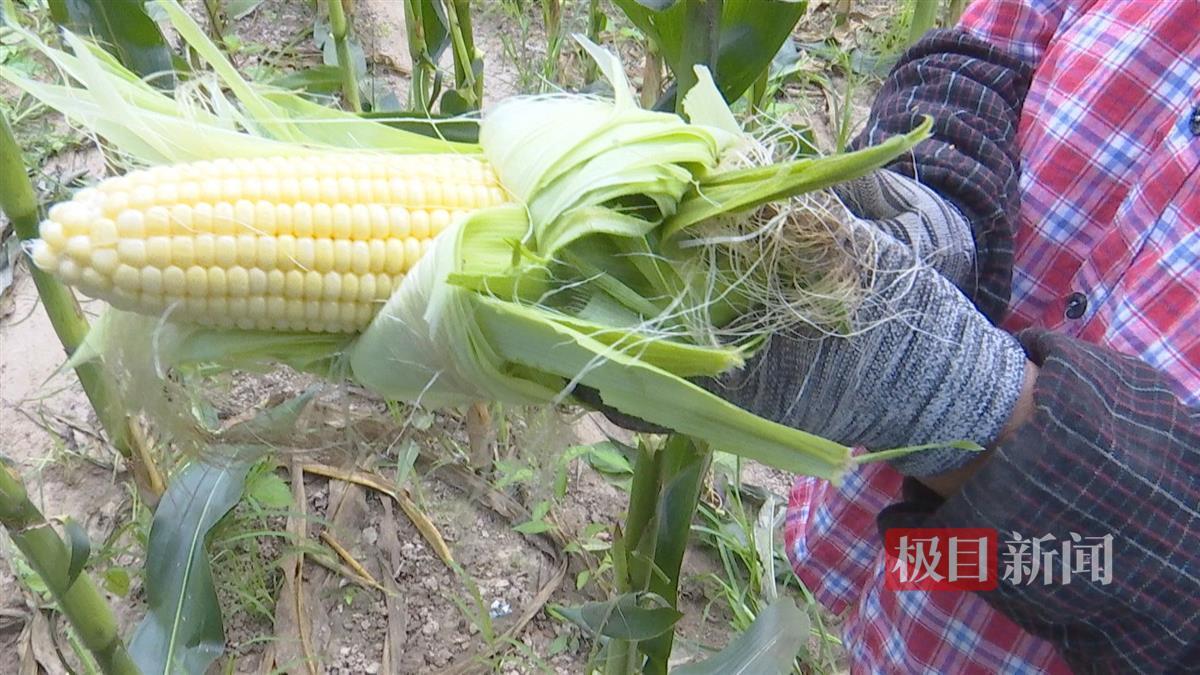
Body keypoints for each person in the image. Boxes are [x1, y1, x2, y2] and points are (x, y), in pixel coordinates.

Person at [608, 1, 1199, 671]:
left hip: (1051, 596)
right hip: (924, 550)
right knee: (909, 590)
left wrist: (958, 399)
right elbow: (989, 48)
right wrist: (943, 205)